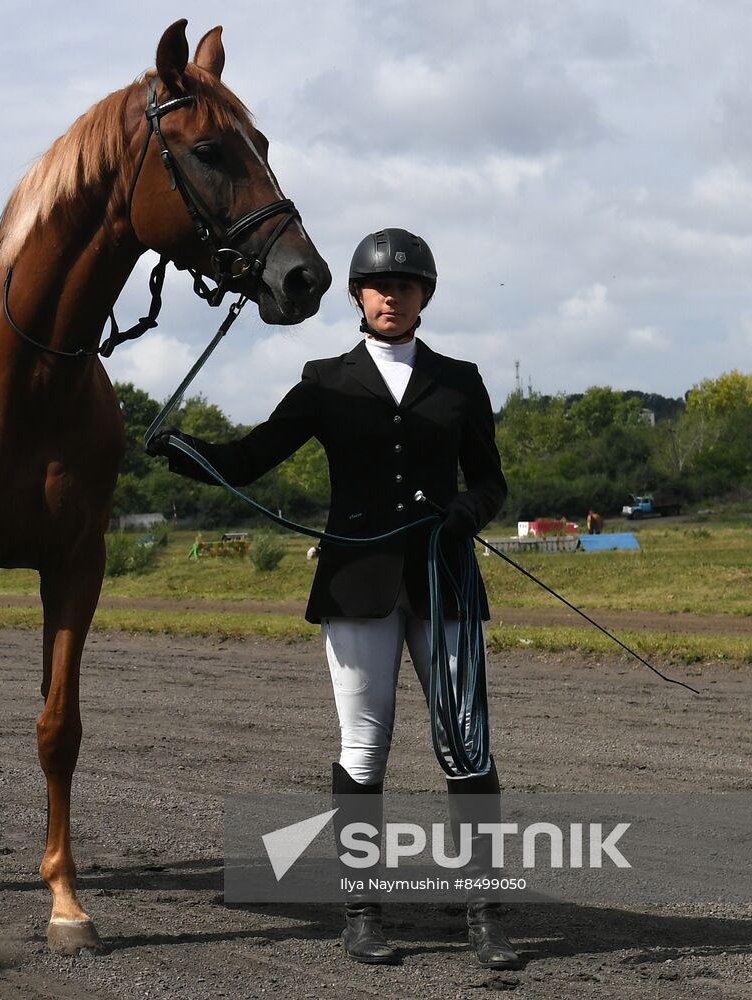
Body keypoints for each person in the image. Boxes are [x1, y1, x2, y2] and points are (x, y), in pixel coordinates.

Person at [147, 229, 518, 969]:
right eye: (379, 286)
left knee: (465, 743)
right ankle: (362, 912)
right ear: (356, 295)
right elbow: (252, 457)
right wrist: (184, 452)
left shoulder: (460, 380)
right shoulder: (323, 380)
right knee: (364, 746)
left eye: (406, 286)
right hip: (356, 583)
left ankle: (485, 915)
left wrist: (465, 514)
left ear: (424, 297)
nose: (391, 295)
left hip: (443, 579)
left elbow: (489, 481)